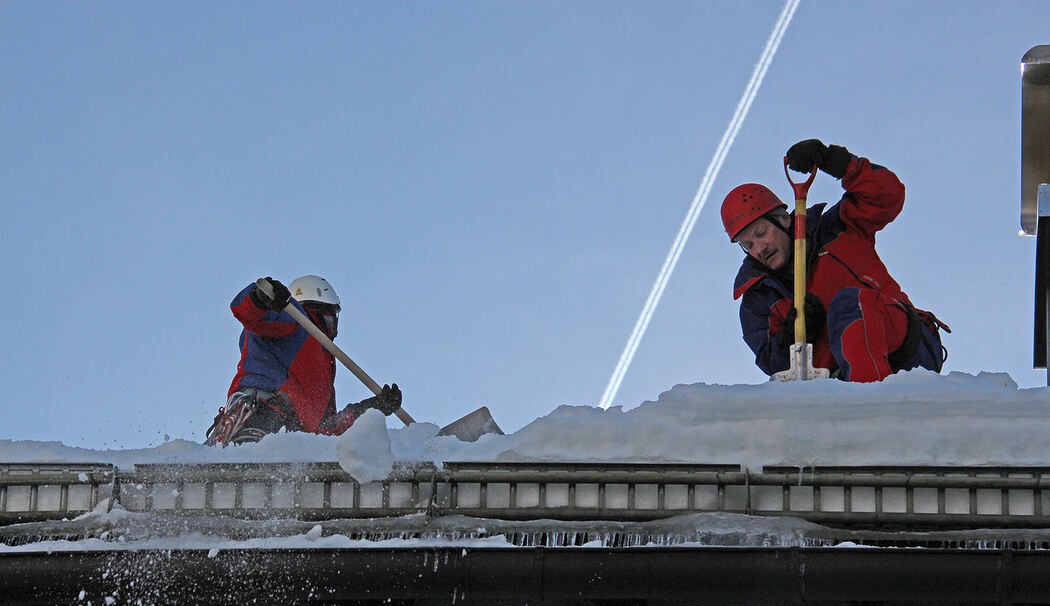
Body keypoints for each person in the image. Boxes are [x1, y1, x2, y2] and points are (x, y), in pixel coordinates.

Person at [720, 139, 949, 382]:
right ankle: (859, 404)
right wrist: (794, 338)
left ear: (784, 220)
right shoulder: (758, 300)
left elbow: (887, 196)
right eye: (748, 245)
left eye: (760, 233)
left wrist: (836, 162)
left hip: (906, 350)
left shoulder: (837, 228)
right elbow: (774, 367)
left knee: (847, 304)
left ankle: (871, 405)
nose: (759, 249)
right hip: (840, 378)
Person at [206, 275, 402, 446]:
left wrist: (370, 410)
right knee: (251, 468)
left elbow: (326, 432)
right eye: (332, 316)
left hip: (292, 439)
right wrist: (261, 298)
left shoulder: (322, 369)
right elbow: (250, 313)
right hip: (261, 418)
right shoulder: (295, 322)